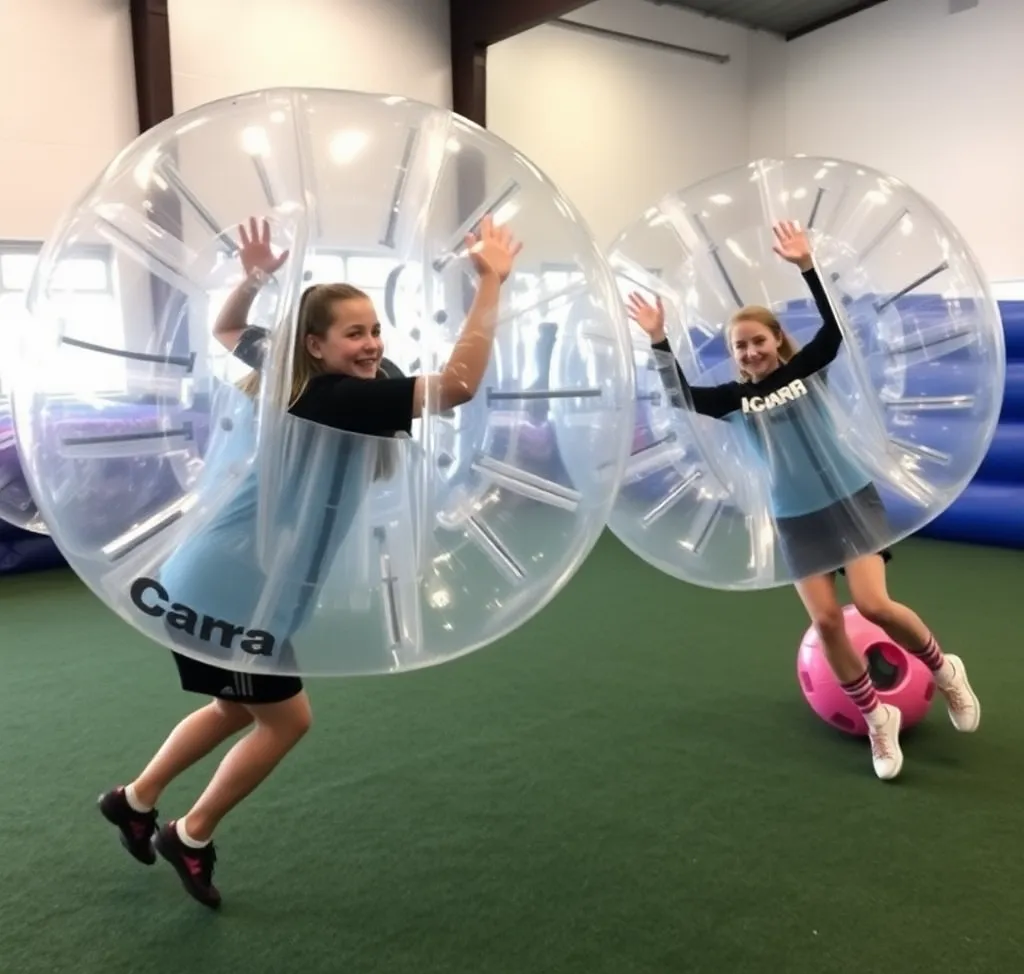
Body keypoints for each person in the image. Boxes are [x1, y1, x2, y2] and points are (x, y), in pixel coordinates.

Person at [99, 215, 522, 908]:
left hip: (229, 581)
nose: (372, 344)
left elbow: (230, 331)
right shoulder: (333, 394)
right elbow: (460, 386)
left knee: (236, 710)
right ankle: (191, 834)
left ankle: (134, 800)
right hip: (231, 590)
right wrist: (491, 284)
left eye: (375, 329)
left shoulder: (299, 371)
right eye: (354, 334)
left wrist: (255, 278)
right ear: (315, 345)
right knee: (286, 720)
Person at [626, 220, 979, 782]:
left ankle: (945, 669)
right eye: (740, 346)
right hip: (796, 517)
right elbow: (681, 396)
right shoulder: (733, 399)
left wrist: (807, 266)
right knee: (827, 623)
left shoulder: (805, 371)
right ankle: (875, 717)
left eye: (758, 341)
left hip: (849, 498)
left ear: (776, 341)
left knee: (873, 607)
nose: (750, 352)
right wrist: (658, 340)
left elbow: (835, 329)